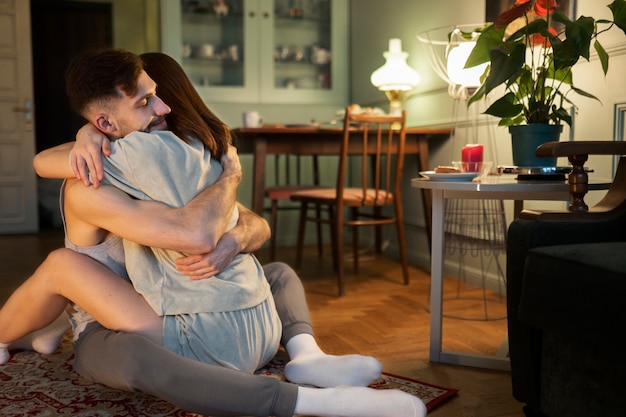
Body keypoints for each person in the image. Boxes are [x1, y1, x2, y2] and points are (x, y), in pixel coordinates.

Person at [0, 48, 426, 417]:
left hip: (159, 304)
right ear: (108, 123)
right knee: (64, 271)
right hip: (122, 312)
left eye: (161, 99)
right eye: (148, 102)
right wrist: (89, 136)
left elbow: (254, 223)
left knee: (274, 272)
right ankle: (307, 401)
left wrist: (233, 241)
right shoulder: (98, 176)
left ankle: (307, 356)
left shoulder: (175, 163)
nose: (162, 110)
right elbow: (194, 232)